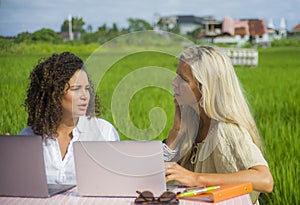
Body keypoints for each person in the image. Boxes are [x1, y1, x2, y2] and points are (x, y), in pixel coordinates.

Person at [163, 45, 273, 204]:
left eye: (183, 79)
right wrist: (176, 129)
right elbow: (161, 173)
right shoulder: (194, 124)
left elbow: (265, 180)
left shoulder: (226, 130)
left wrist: (196, 178)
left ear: (204, 88)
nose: (174, 82)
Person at [20, 52, 119, 185]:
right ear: (53, 93)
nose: (85, 96)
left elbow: (116, 184)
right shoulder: (28, 137)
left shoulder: (104, 132)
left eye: (87, 89)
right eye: (76, 88)